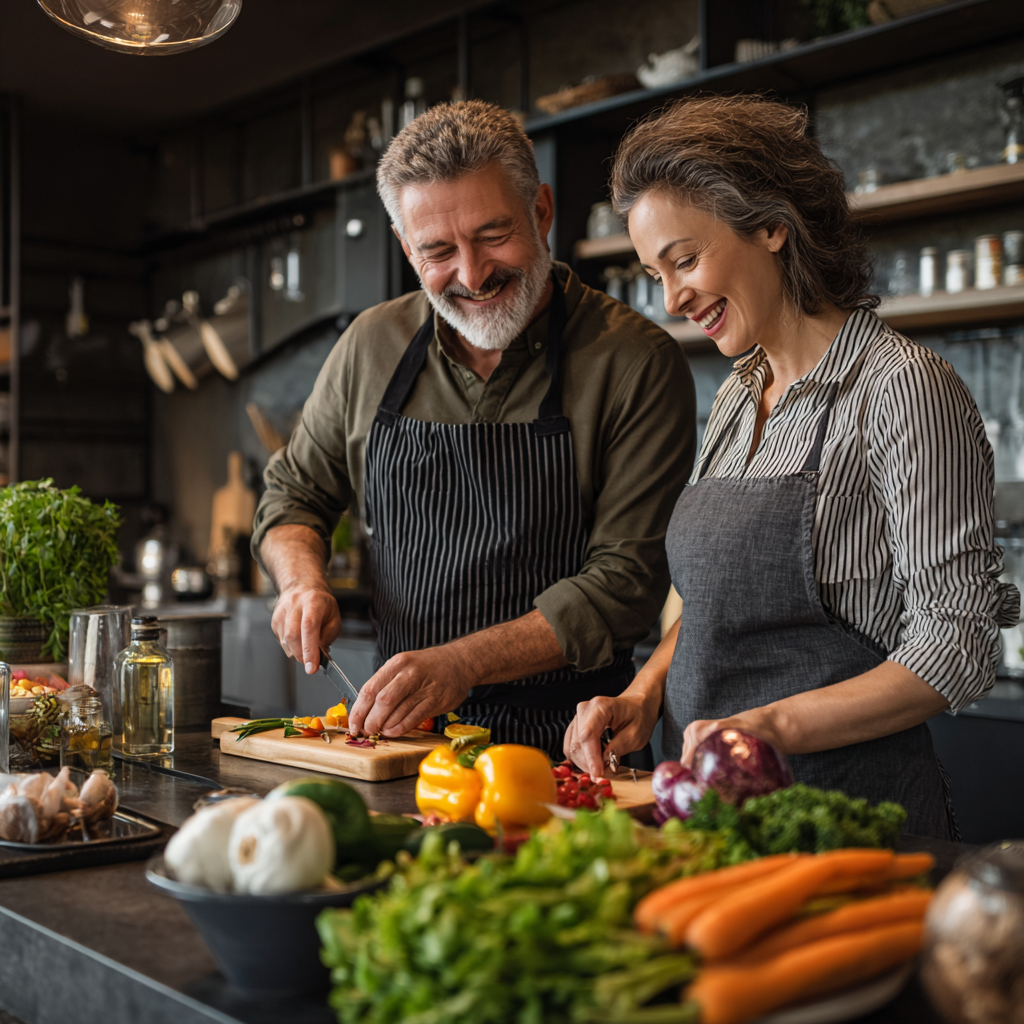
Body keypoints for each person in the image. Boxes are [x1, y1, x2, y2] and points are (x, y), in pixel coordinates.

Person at [564, 95, 1019, 838]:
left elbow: (959, 642)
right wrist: (643, 694)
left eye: (685, 259)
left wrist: (769, 727)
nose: (673, 298)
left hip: (846, 821)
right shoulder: (742, 394)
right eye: (655, 273)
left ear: (773, 225)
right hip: (710, 817)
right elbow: (716, 602)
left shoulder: (901, 388)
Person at [251, 100, 697, 757]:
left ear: (541, 211)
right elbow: (293, 495)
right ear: (407, 248)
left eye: (493, 235)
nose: (471, 272)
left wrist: (460, 664)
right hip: (403, 743)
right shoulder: (372, 345)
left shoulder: (634, 360)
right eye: (437, 250)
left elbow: (624, 586)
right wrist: (301, 582)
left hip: (570, 745)